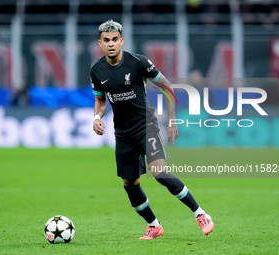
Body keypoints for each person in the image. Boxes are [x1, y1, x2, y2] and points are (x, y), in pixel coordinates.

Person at [91, 20, 214, 239]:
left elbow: (166, 86)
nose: (111, 44)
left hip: (146, 126)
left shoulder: (138, 62)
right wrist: (97, 117)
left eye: (115, 40)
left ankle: (200, 213)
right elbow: (100, 101)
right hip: (123, 134)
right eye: (106, 40)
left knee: (160, 173)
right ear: (100, 43)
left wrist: (172, 118)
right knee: (130, 183)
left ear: (122, 41)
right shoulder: (97, 70)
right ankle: (154, 225)